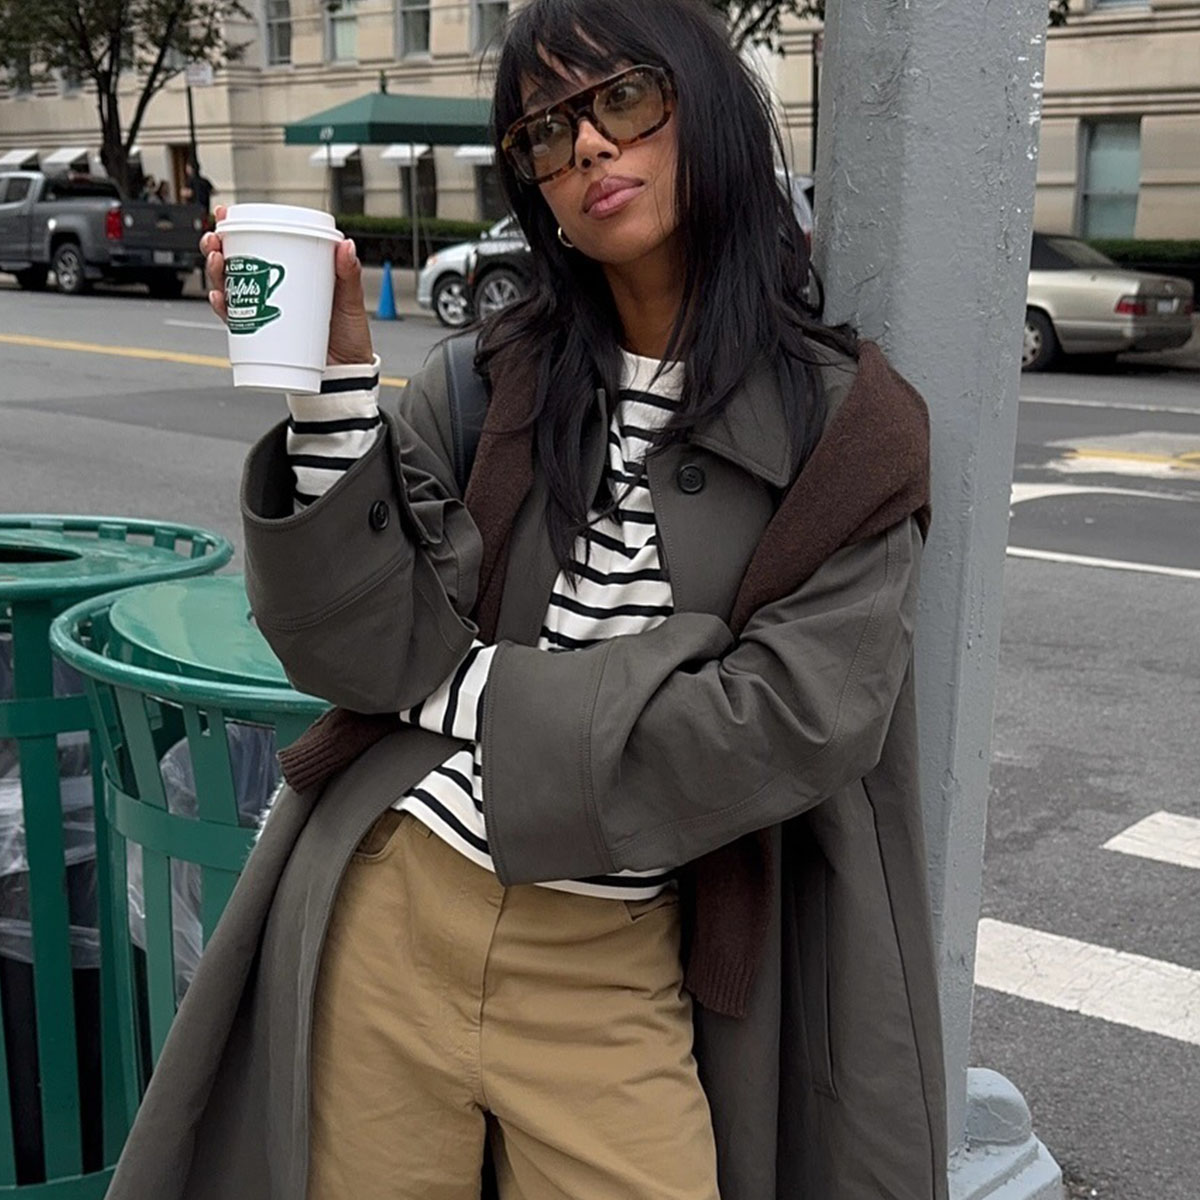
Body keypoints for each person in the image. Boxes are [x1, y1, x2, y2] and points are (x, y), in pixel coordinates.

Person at [107, 1, 948, 1198]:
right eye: (546, 132)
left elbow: (794, 720)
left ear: (707, 103)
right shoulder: (486, 380)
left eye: (623, 99)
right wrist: (331, 391)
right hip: (394, 904)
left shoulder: (847, 426)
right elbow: (358, 655)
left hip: (613, 958)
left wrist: (465, 690)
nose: (588, 145)